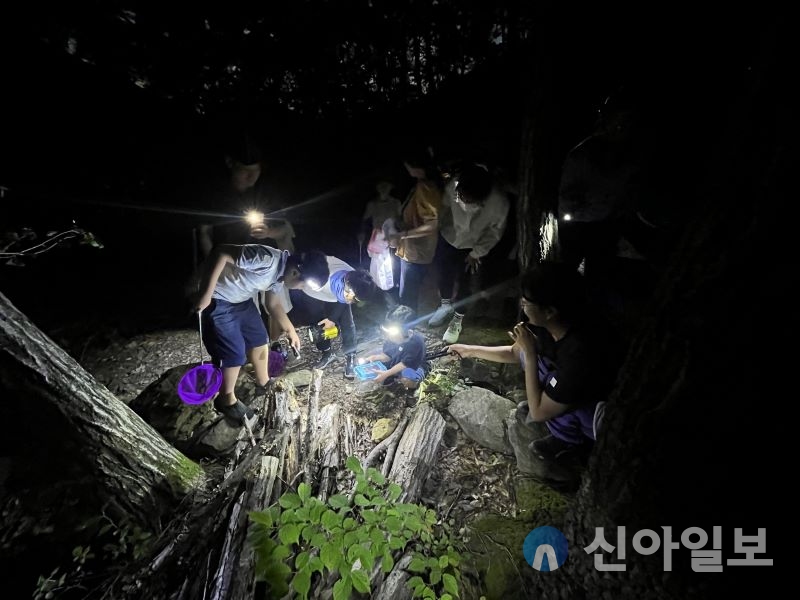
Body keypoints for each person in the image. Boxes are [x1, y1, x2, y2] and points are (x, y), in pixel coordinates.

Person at [445, 261, 624, 464]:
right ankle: (552, 408)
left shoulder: (579, 352)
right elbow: (515, 354)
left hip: (593, 408)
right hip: (563, 385)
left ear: (550, 311)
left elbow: (538, 413)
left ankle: (570, 444)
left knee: (544, 400)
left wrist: (530, 354)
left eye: (527, 301)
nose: (522, 303)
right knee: (535, 369)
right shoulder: (543, 325)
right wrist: (468, 350)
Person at [192, 244, 329, 426]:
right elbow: (222, 252)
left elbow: (272, 304)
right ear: (296, 272)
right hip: (219, 298)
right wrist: (205, 294)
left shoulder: (280, 276)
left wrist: (290, 330)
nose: (301, 288)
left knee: (259, 339)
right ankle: (227, 400)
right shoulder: (266, 259)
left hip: (241, 300)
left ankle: (264, 382)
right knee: (234, 354)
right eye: (303, 284)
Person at [428, 162, 510, 344]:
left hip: (472, 246)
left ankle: (458, 318)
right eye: (460, 196)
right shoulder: (456, 184)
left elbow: (495, 231)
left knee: (465, 281)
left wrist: (477, 252)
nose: (462, 200)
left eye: (468, 199)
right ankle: (445, 305)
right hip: (448, 237)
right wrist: (440, 225)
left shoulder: (498, 202)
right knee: (443, 274)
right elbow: (445, 206)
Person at [284, 256, 377, 378]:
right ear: (347, 282)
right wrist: (329, 320)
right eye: (352, 295)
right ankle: (326, 352)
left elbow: (345, 301)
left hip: (329, 291)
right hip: (313, 291)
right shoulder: (320, 277)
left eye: (355, 300)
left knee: (347, 322)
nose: (351, 299)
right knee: (317, 320)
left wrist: (332, 319)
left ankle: (351, 355)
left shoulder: (357, 282)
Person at [386, 148, 443, 313]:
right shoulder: (423, 184)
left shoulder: (427, 187)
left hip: (417, 251)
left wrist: (402, 234)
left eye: (408, 165)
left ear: (417, 166)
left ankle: (404, 332)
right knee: (407, 292)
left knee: (408, 297)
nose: (406, 169)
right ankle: (404, 329)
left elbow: (433, 224)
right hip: (411, 250)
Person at [360, 305, 428, 390]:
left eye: (393, 332)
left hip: (413, 365)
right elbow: (387, 355)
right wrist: (375, 357)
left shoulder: (415, 342)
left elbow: (404, 364)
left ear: (405, 331)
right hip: (396, 360)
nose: (389, 335)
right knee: (370, 356)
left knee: (407, 379)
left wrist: (386, 373)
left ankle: (411, 382)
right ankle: (391, 375)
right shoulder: (391, 337)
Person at [359, 180, 402, 302]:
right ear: (377, 188)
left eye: (386, 186)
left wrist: (402, 234)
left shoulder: (395, 202)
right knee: (377, 265)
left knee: (394, 263)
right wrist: (361, 233)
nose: (383, 189)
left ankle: (393, 289)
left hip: (393, 237)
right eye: (381, 186)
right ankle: (377, 289)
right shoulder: (372, 204)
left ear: (390, 188)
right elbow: (365, 220)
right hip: (377, 238)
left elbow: (399, 220)